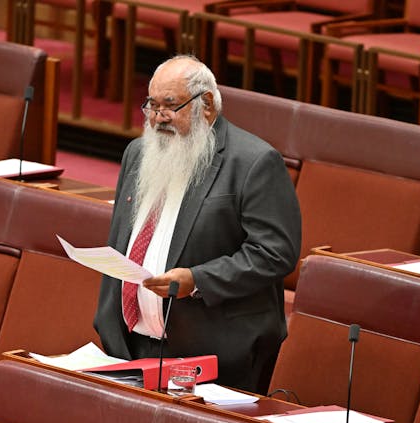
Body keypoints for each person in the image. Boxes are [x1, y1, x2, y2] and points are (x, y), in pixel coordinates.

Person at [93, 55, 301, 394]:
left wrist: (198, 280)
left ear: (205, 103)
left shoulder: (254, 163)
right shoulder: (138, 152)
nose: (158, 118)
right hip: (129, 347)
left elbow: (275, 253)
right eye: (152, 105)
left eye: (170, 106)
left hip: (213, 354)